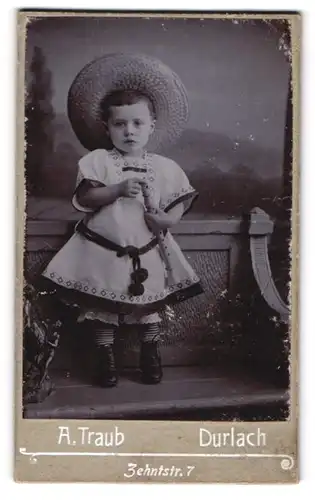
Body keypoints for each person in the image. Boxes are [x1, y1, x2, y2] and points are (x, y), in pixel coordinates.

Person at [42, 53, 204, 388]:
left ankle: (150, 354)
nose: (129, 131)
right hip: (104, 248)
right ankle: (105, 359)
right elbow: (86, 198)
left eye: (137, 123)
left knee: (149, 309)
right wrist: (115, 190)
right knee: (102, 307)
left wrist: (166, 221)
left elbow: (181, 202)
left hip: (148, 248)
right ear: (107, 127)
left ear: (152, 126)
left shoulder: (164, 166)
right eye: (119, 124)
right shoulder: (97, 161)